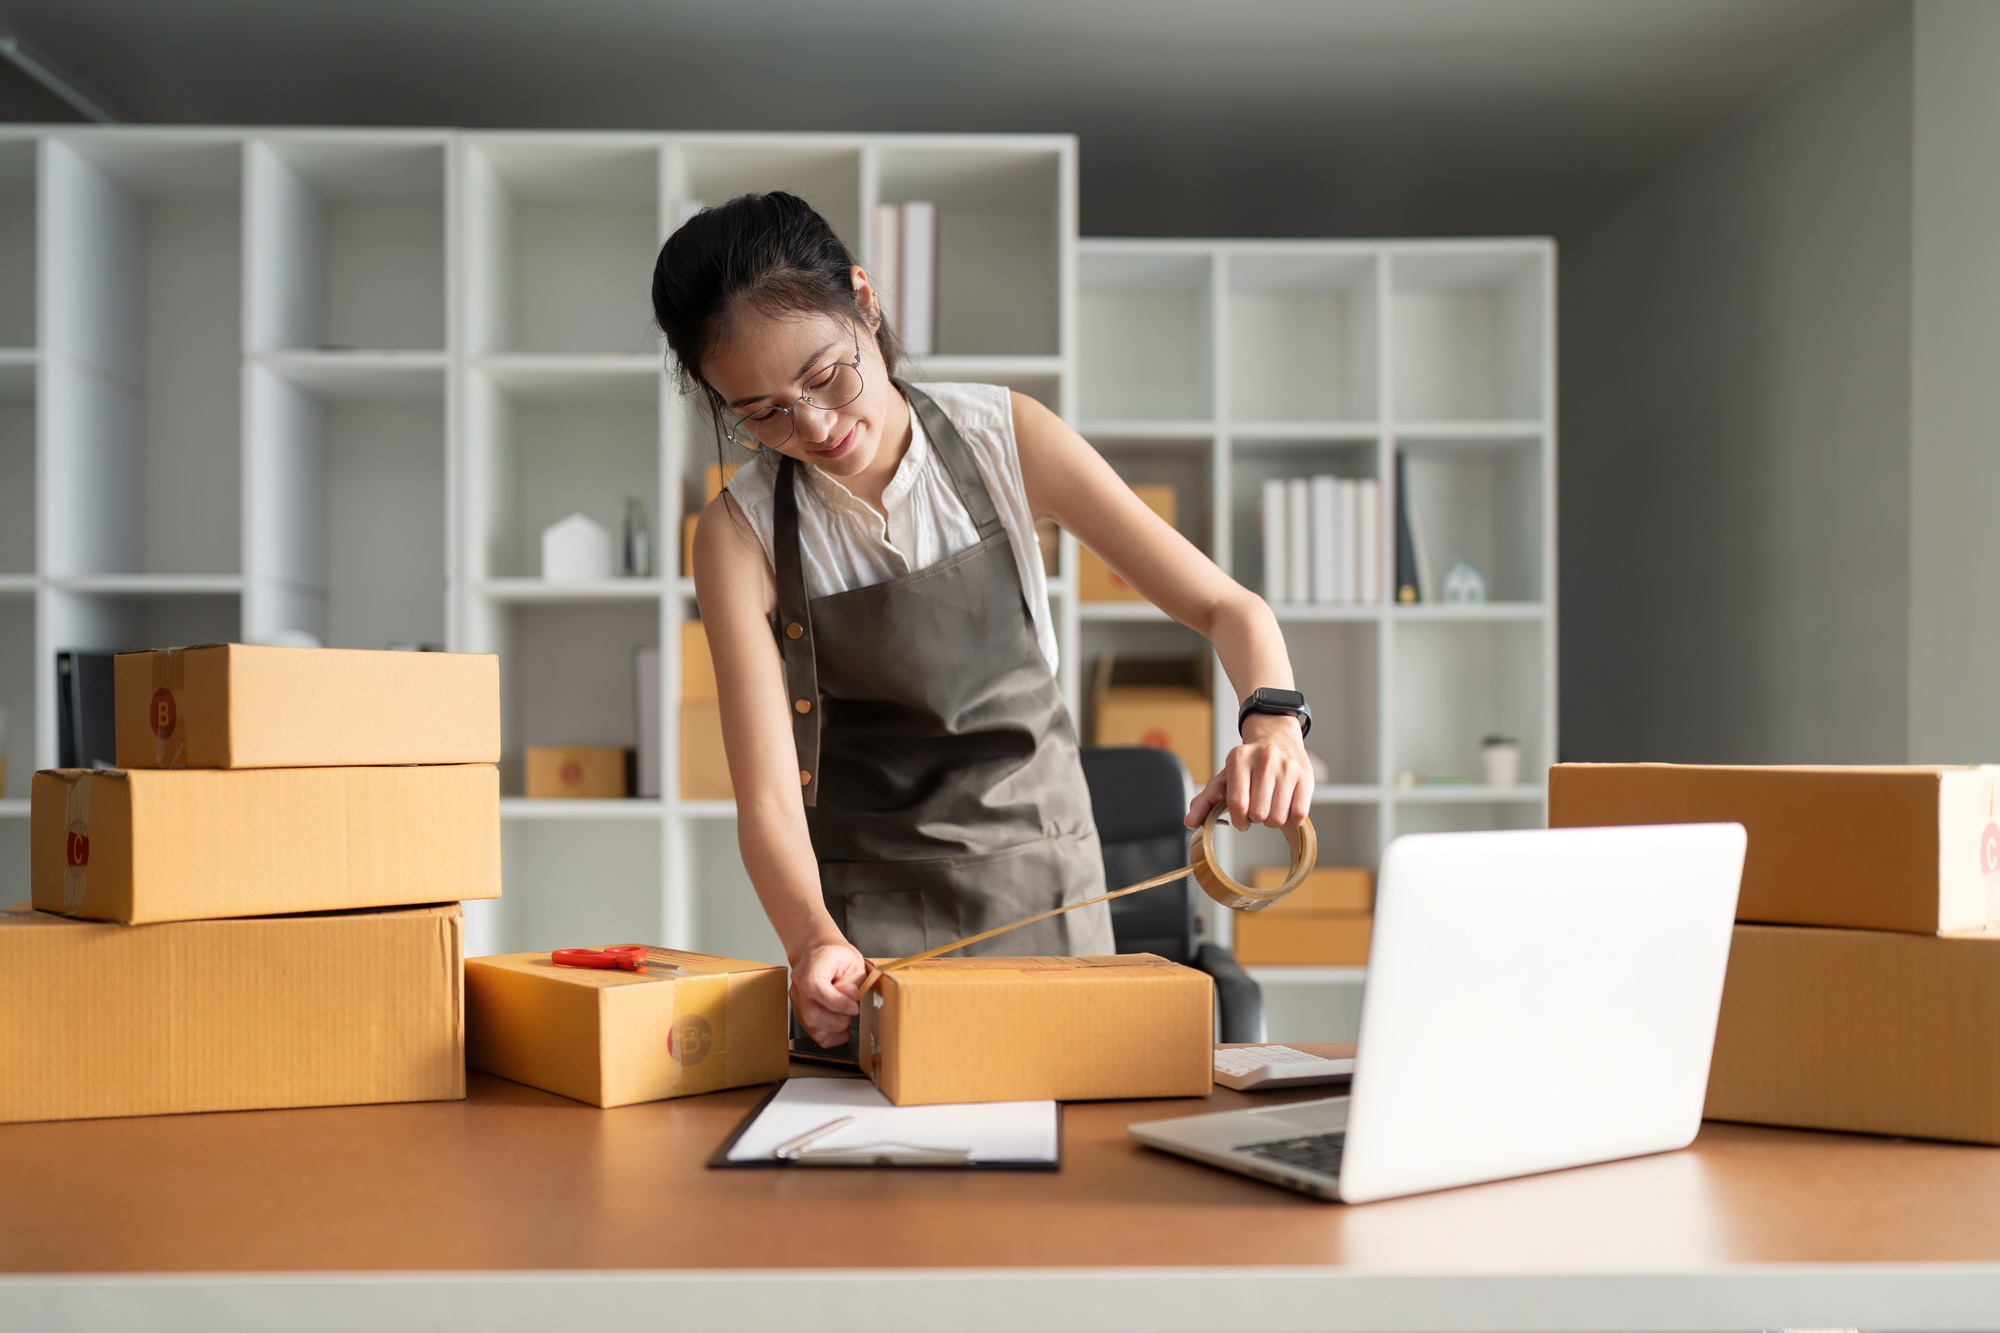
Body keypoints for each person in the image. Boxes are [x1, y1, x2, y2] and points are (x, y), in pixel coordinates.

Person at [651, 192, 1315, 1051]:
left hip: (1049, 888)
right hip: (871, 928)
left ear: (864, 299)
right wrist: (810, 935)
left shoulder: (1005, 437)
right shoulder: (737, 535)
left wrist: (1273, 723)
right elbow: (771, 801)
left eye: (826, 376)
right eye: (764, 413)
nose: (814, 426)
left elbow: (1228, 607)